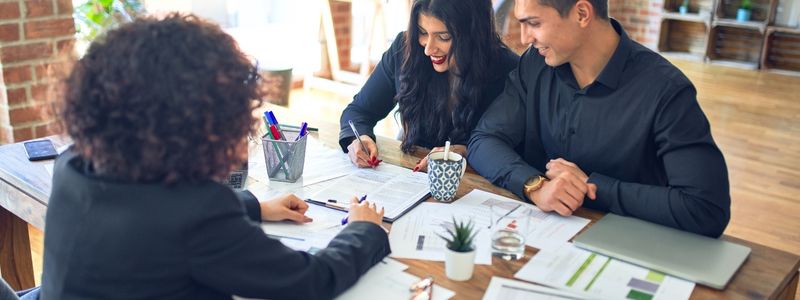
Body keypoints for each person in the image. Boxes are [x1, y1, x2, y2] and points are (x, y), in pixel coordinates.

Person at [42, 14, 389, 300]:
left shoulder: (73, 164)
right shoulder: (197, 213)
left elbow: (151, 212)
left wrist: (254, 207)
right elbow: (312, 281)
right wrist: (362, 230)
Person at [468, 0, 731, 237]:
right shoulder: (535, 65)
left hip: (630, 246)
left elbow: (706, 208)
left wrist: (592, 188)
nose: (525, 38)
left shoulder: (666, 90)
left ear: (582, 13)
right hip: (539, 235)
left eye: (534, 23)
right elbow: (484, 139)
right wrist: (535, 185)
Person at [339, 0, 519, 171]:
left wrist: (467, 151)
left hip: (478, 186)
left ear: (474, 34)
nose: (428, 49)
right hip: (412, 178)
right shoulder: (404, 51)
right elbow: (359, 111)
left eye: (444, 37)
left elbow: (514, 150)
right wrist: (360, 137)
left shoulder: (508, 71)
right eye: (422, 32)